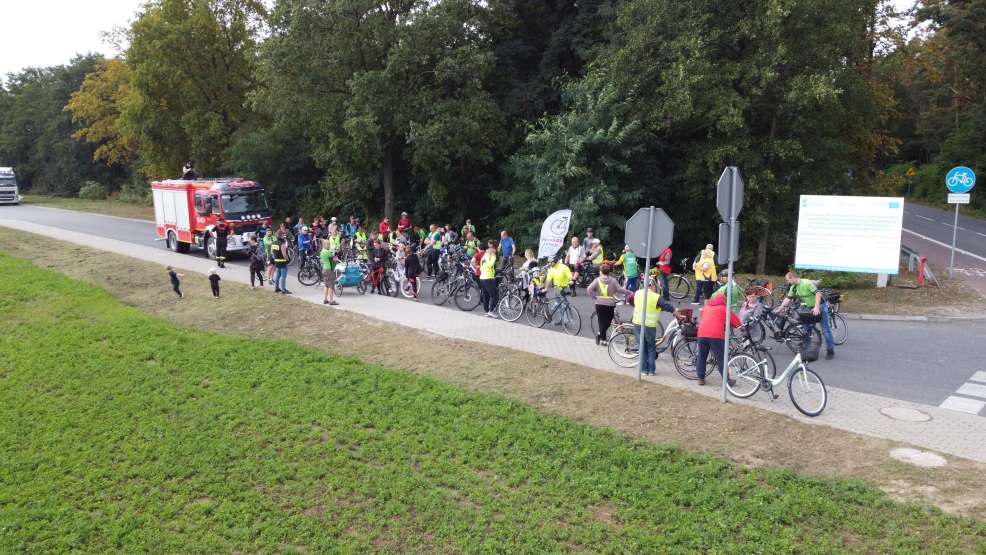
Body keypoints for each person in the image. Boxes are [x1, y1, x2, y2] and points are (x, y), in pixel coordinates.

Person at [775, 270, 836, 359]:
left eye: (788, 280)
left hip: (821, 306)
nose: (787, 282)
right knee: (806, 327)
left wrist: (816, 307)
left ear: (793, 277)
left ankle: (830, 351)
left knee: (825, 329)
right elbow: (788, 298)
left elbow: (818, 294)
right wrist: (780, 308)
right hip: (809, 307)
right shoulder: (794, 287)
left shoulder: (806, 283)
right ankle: (806, 348)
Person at [632, 279, 678, 375]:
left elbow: (629, 299)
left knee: (642, 347)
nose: (656, 288)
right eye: (655, 286)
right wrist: (675, 312)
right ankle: (652, 371)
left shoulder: (637, 293)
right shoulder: (656, 297)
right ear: (652, 286)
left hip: (637, 324)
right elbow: (667, 305)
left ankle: (644, 370)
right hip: (649, 326)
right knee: (651, 347)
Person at [587, 264, 629, 346]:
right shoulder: (613, 280)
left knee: (601, 321)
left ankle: (602, 338)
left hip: (599, 303)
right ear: (608, 272)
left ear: (600, 272)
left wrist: (594, 297)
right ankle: (602, 338)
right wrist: (629, 292)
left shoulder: (597, 280)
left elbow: (589, 289)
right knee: (608, 321)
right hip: (610, 304)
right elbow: (619, 289)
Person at [479, 240, 499, 317]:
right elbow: (490, 264)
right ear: (491, 251)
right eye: (494, 251)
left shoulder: (484, 256)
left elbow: (482, 266)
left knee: (486, 295)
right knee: (495, 296)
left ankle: (487, 311)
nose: (495, 252)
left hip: (482, 277)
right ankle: (491, 311)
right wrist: (493, 256)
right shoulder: (489, 256)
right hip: (488, 278)